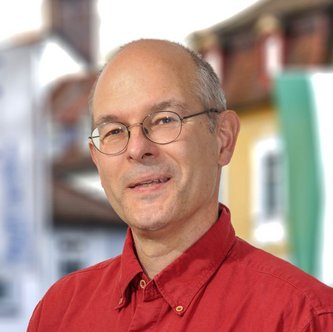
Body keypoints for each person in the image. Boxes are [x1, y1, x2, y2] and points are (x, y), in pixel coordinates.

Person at [28, 39, 333, 331]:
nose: (137, 149)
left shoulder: (305, 318)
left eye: (164, 120)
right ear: (96, 158)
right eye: (114, 131)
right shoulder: (59, 312)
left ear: (223, 138)